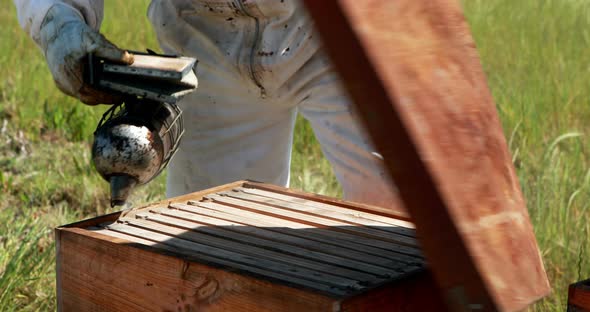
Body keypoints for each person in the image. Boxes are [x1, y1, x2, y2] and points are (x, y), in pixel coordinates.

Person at [14, 0, 401, 211]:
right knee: (209, 237)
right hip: (204, 36)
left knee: (408, 217)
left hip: (335, 26)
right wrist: (57, 20)